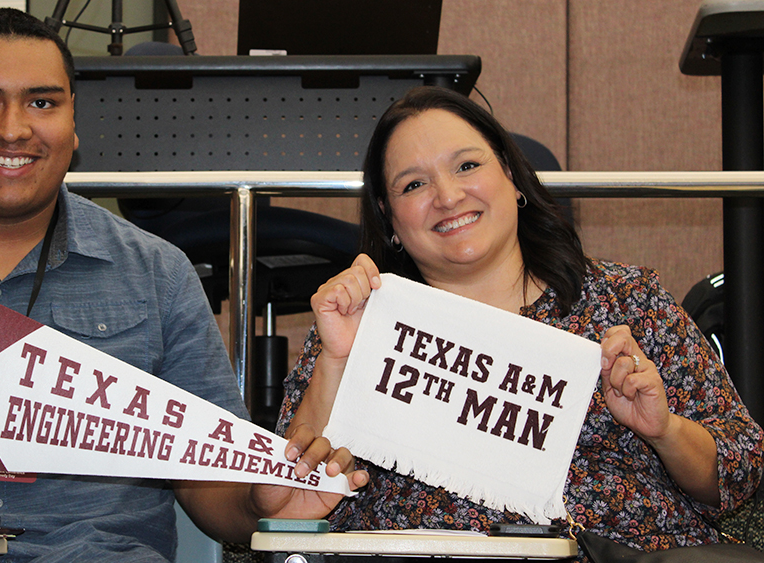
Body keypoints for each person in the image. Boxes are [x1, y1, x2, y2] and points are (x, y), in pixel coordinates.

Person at [0, 9, 367, 562]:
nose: (13, 128)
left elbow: (220, 503)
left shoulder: (158, 274)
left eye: (43, 103)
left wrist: (268, 504)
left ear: (74, 125)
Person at [278, 85, 764, 554]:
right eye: (414, 184)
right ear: (390, 220)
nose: (447, 196)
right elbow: (285, 503)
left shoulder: (628, 302)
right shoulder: (356, 328)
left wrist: (664, 431)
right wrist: (336, 362)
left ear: (511, 177)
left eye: (467, 165)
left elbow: (740, 477)